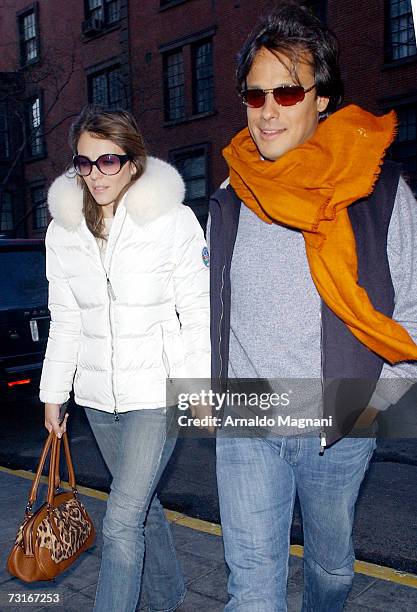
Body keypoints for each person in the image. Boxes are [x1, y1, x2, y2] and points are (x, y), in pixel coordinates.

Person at [208, 2, 417, 611]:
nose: (268, 111)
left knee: (330, 569)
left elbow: (412, 307)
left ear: (321, 97)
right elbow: (207, 304)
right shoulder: (230, 193)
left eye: (287, 92)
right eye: (254, 96)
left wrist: (374, 401)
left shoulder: (378, 191)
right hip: (248, 415)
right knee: (252, 593)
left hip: (338, 419)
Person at [40, 105, 210, 612]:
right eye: (85, 163)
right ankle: (169, 594)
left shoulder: (173, 222)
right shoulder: (63, 231)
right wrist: (54, 394)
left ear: (133, 161)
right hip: (97, 398)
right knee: (139, 508)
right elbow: (65, 318)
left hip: (156, 396)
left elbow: (196, 311)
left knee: (119, 522)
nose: (95, 174)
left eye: (108, 161)